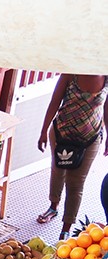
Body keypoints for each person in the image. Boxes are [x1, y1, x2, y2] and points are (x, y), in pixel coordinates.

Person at [36, 73, 108, 239]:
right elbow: (54, 103)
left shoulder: (106, 78)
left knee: (76, 183)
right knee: (58, 170)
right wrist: (43, 131)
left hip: (90, 139)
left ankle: (66, 228)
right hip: (61, 133)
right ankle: (53, 206)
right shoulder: (70, 75)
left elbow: (106, 109)